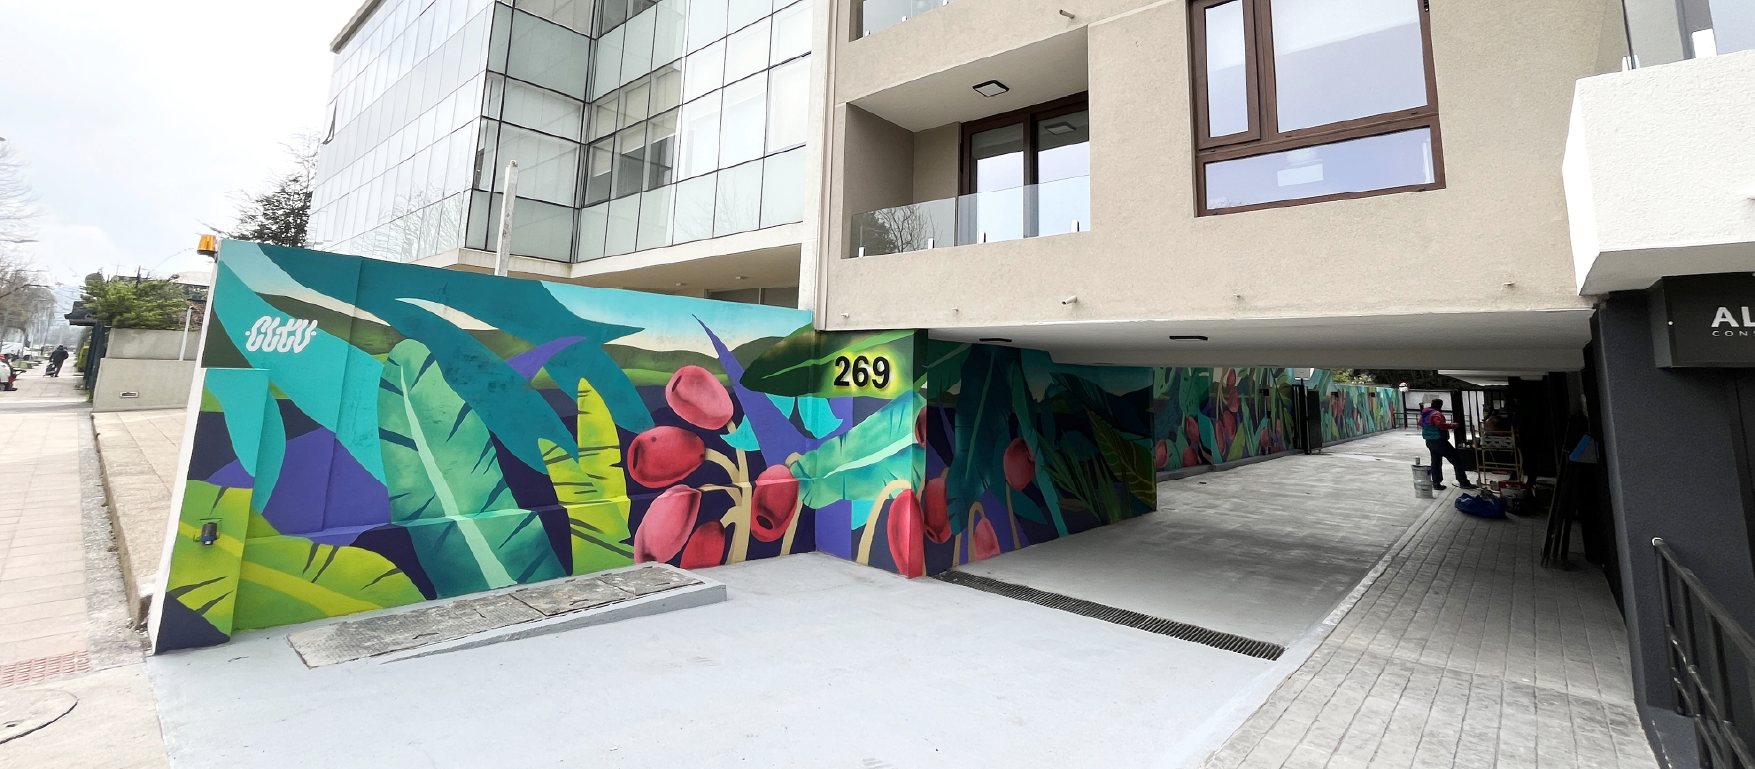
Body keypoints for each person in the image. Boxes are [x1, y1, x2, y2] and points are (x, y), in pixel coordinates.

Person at [1420, 398, 1476, 490]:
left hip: (1429, 441)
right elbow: (1441, 425)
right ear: (1440, 405)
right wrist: (1453, 425)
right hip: (1439, 441)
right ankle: (1463, 482)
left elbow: (1420, 423)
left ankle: (1436, 483)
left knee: (1436, 462)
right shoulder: (1436, 414)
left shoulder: (1425, 413)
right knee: (1456, 459)